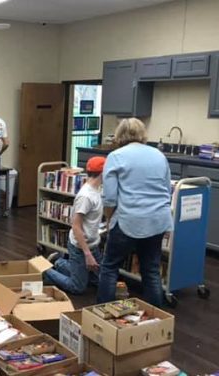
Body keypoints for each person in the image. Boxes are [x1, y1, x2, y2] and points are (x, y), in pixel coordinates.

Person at [97, 118, 173, 307]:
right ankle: (156, 321)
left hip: (128, 219)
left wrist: (108, 220)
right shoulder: (159, 155)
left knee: (109, 267)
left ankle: (102, 315)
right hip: (158, 220)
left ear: (119, 135)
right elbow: (166, 189)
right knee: (151, 271)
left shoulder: (116, 156)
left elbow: (110, 197)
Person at [42, 156, 106, 294]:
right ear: (103, 173)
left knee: (101, 281)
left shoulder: (98, 190)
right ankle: (46, 270)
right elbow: (76, 226)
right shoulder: (86, 196)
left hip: (93, 244)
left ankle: (59, 262)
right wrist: (87, 254)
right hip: (80, 247)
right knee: (78, 287)